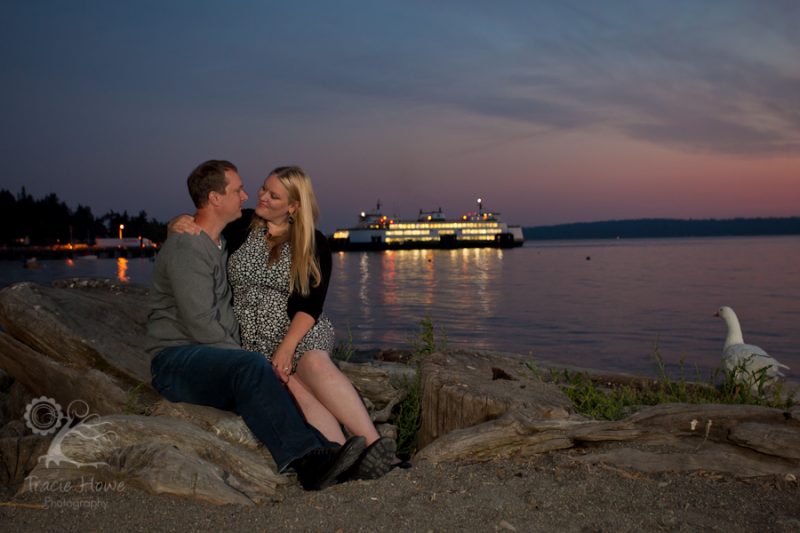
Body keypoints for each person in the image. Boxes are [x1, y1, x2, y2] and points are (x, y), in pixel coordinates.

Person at [146, 159, 365, 491]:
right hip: (177, 360)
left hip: (211, 358)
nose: (248, 196)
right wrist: (251, 363)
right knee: (255, 368)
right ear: (216, 198)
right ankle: (307, 460)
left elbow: (307, 300)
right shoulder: (188, 247)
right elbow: (201, 324)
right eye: (239, 190)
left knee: (282, 377)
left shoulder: (220, 242)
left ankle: (336, 454)